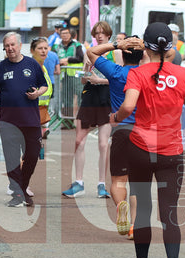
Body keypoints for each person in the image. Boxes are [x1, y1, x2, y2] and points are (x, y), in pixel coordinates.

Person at [109, 22, 185, 258]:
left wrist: (116, 117)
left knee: (143, 208)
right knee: (169, 212)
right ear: (170, 47)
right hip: (172, 151)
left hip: (140, 148)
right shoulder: (183, 74)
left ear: (145, 47)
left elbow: (128, 106)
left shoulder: (138, 73)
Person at [87, 35, 145, 239]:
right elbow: (169, 54)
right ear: (142, 54)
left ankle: (121, 205)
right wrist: (144, 47)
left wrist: (116, 44)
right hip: (144, 133)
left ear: (123, 52)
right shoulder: (147, 74)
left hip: (121, 130)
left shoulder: (115, 71)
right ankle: (134, 229)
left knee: (118, 180)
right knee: (139, 183)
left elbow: (91, 52)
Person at [0, 32, 48, 207]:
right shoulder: (0, 68)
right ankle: (18, 194)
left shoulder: (32, 64)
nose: (10, 48)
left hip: (31, 121)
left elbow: (44, 85)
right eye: (6, 46)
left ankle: (23, 185)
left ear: (20, 46)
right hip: (8, 122)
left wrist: (37, 93)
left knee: (32, 155)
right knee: (12, 158)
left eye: (13, 45)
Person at [62, 21, 112, 199]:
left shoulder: (115, 53)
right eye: (96, 33)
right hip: (89, 98)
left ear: (108, 35)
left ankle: (101, 184)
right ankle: (79, 182)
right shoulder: (89, 52)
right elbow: (84, 80)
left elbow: (121, 78)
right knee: (79, 141)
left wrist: (102, 81)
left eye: (102, 33)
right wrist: (86, 72)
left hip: (106, 100)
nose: (99, 36)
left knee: (103, 144)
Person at [54, 26, 83, 120]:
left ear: (70, 35)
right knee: (66, 98)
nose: (65, 35)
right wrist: (60, 62)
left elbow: (80, 58)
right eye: (63, 34)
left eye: (67, 33)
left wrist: (68, 60)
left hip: (76, 75)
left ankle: (82, 118)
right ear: (60, 35)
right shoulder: (57, 46)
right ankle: (68, 121)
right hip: (63, 76)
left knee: (80, 96)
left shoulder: (77, 45)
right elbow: (53, 59)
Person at [42, 45, 60, 138]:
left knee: (38, 108)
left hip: (40, 85)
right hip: (50, 83)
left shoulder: (37, 57)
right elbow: (58, 71)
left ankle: (42, 128)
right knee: (47, 107)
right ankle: (46, 127)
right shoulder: (54, 55)